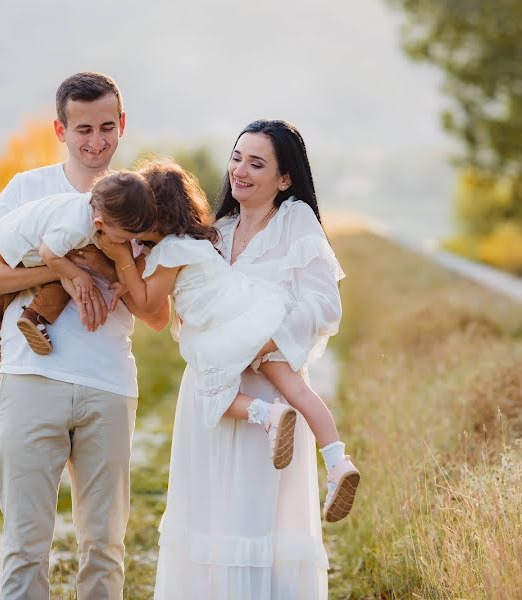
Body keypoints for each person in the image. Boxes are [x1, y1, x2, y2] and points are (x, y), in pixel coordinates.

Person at [0, 72, 169, 600]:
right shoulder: (27, 189)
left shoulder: (138, 203)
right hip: (32, 379)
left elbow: (157, 316)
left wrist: (120, 256)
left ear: (122, 125)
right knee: (26, 544)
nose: (95, 141)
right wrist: (63, 274)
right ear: (60, 128)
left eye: (106, 127)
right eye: (82, 129)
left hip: (108, 385)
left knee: (104, 547)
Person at [148, 120, 346, 599]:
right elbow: (190, 309)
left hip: (267, 393)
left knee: (258, 528)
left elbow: (323, 307)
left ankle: (336, 461)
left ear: (284, 178)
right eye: (237, 157)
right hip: (210, 396)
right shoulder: (214, 233)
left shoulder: (294, 222)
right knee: (208, 519)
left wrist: (258, 344)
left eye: (256, 163)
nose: (240, 170)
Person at [101, 159, 359, 522]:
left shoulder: (170, 252)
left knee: (211, 393)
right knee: (297, 388)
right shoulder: (201, 240)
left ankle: (268, 415)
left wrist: (120, 258)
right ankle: (337, 461)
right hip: (261, 310)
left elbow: (147, 302)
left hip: (226, 330)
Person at [0, 172, 156, 360]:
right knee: (71, 273)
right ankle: (33, 316)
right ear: (99, 224)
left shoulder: (94, 208)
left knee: (68, 267)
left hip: (16, 232)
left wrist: (123, 283)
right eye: (124, 238)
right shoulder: (76, 227)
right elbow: (48, 253)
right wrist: (76, 275)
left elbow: (122, 252)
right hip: (19, 245)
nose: (126, 242)